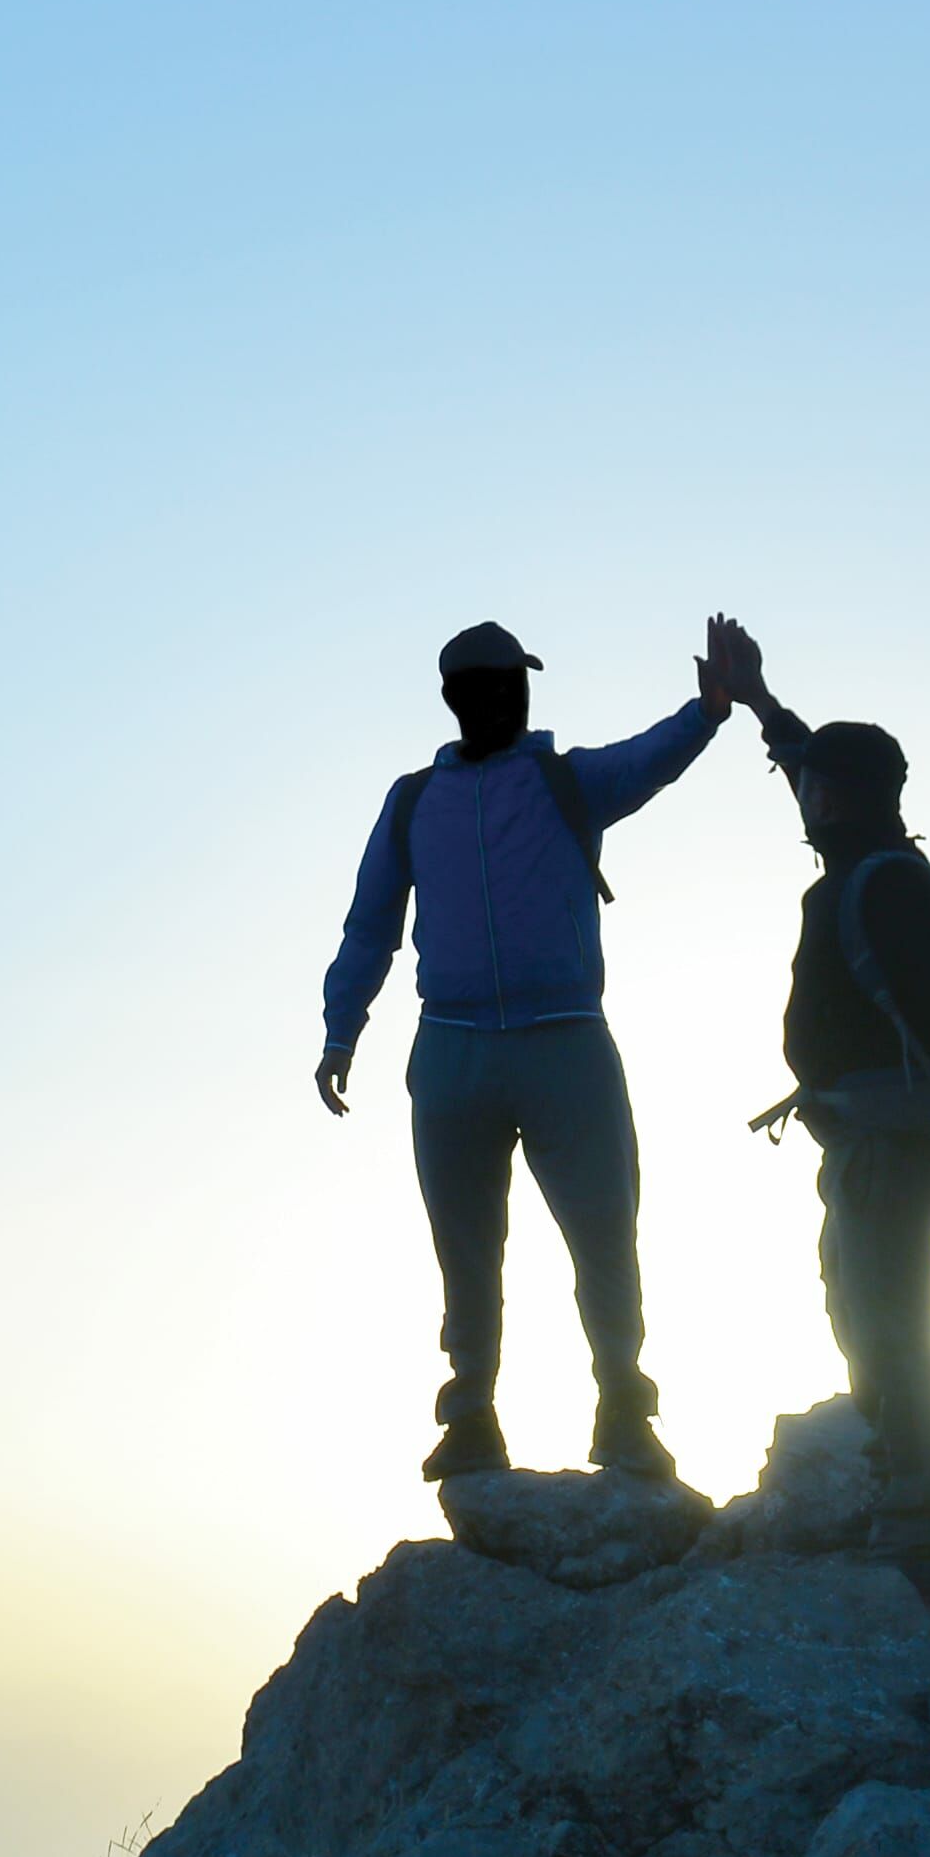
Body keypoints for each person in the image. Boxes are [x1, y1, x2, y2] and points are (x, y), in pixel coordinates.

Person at [316, 617, 739, 1485]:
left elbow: (644, 759)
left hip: (567, 1044)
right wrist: (340, 1027)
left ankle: (624, 1409)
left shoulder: (563, 780)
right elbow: (370, 928)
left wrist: (710, 710)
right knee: (465, 1248)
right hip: (453, 1052)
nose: (514, 696)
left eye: (520, 682)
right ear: (457, 698)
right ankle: (472, 1414)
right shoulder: (410, 804)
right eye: (498, 683)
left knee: (604, 1235)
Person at [693, 618, 930, 1601]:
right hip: (868, 1136)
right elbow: (804, 763)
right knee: (861, 1305)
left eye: (823, 784)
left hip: (893, 1142)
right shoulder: (861, 862)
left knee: (888, 1317)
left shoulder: (886, 884)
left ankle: (919, 1524)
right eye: (809, 780)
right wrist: (758, 701)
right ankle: (908, 1482)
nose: (807, 794)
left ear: (859, 794)